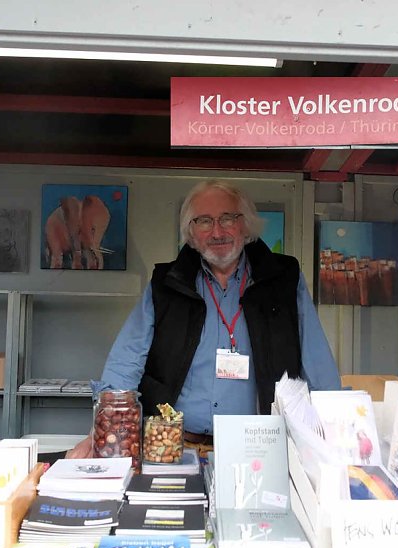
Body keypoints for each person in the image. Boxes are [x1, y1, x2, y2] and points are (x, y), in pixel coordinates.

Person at [67, 179, 340, 458]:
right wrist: (102, 432)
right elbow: (126, 359)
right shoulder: (166, 284)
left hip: (258, 447)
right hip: (175, 447)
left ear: (245, 225)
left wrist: (338, 433)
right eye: (204, 221)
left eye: (227, 219)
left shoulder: (283, 279)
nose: (217, 231)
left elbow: (317, 362)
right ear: (191, 233)